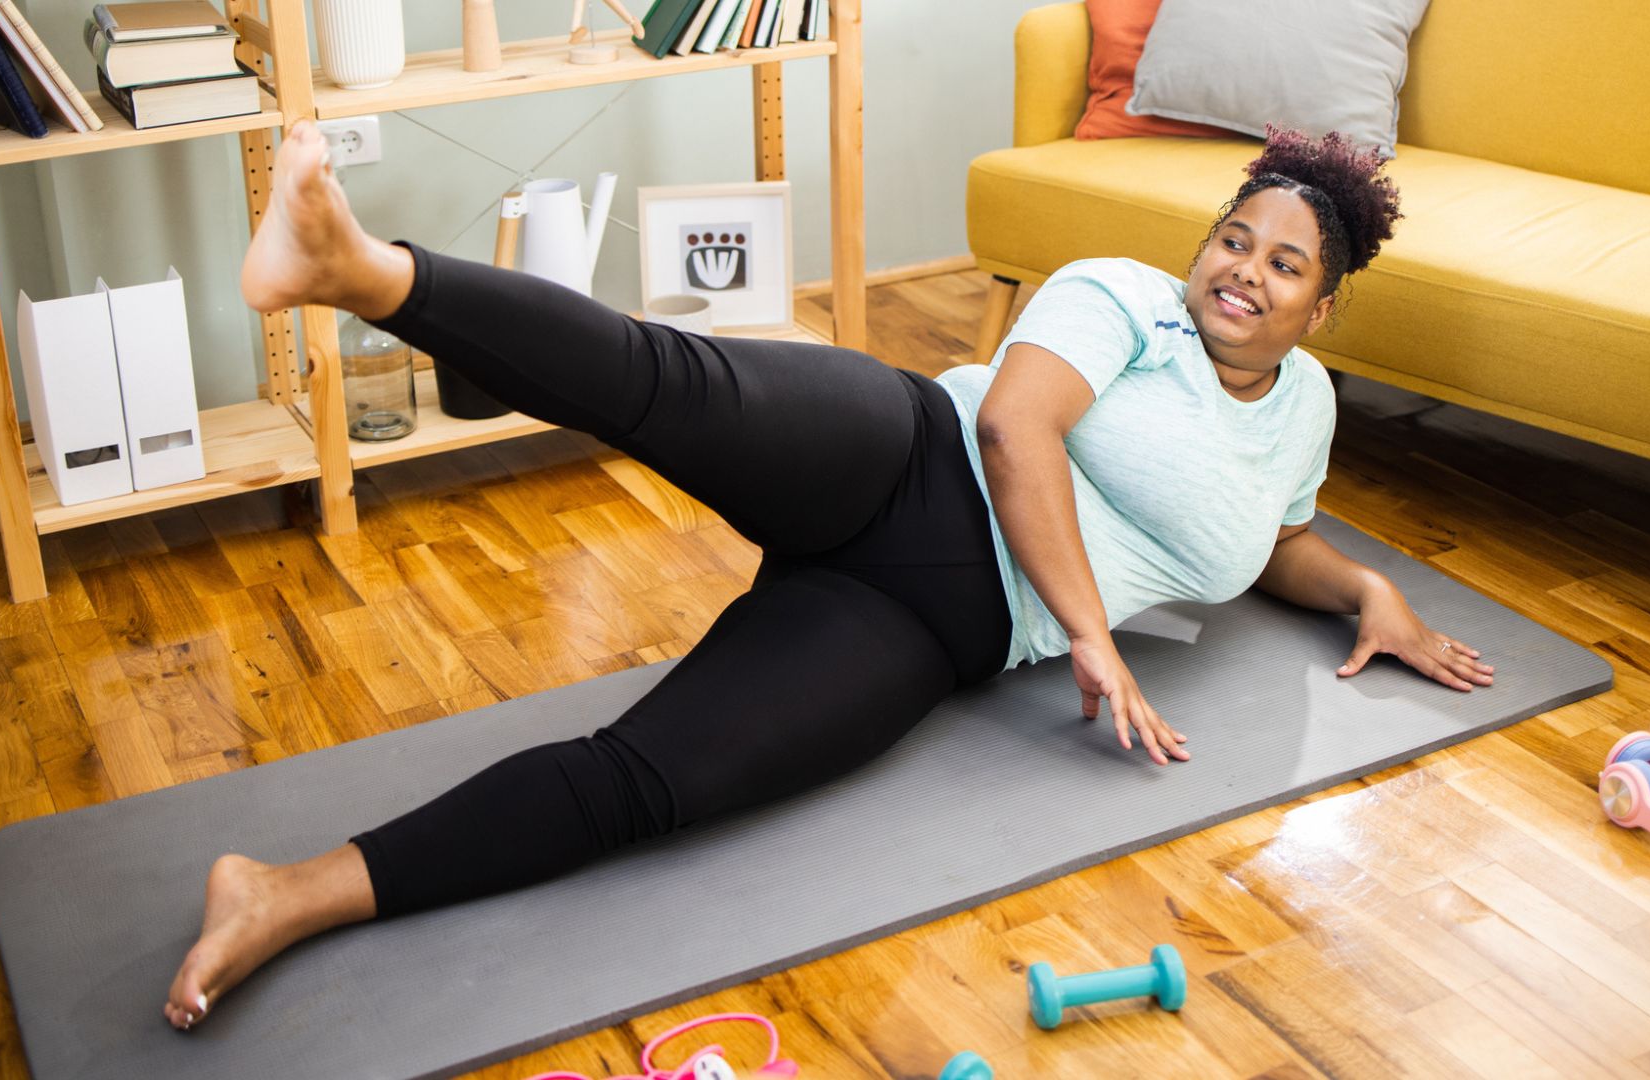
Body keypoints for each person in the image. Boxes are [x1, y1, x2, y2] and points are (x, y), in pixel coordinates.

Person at [162, 120, 1495, 1030]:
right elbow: (1012, 429)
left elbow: (1265, 536)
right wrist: (1093, 633)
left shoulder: (1304, 407)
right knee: (656, 379)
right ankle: (354, 266)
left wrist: (1360, 590)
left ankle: (281, 894)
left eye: (1283, 265)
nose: (1242, 274)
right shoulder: (1123, 298)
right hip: (896, 454)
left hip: (927, 622)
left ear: (1324, 308)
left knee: (651, 785)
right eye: (1234, 240)